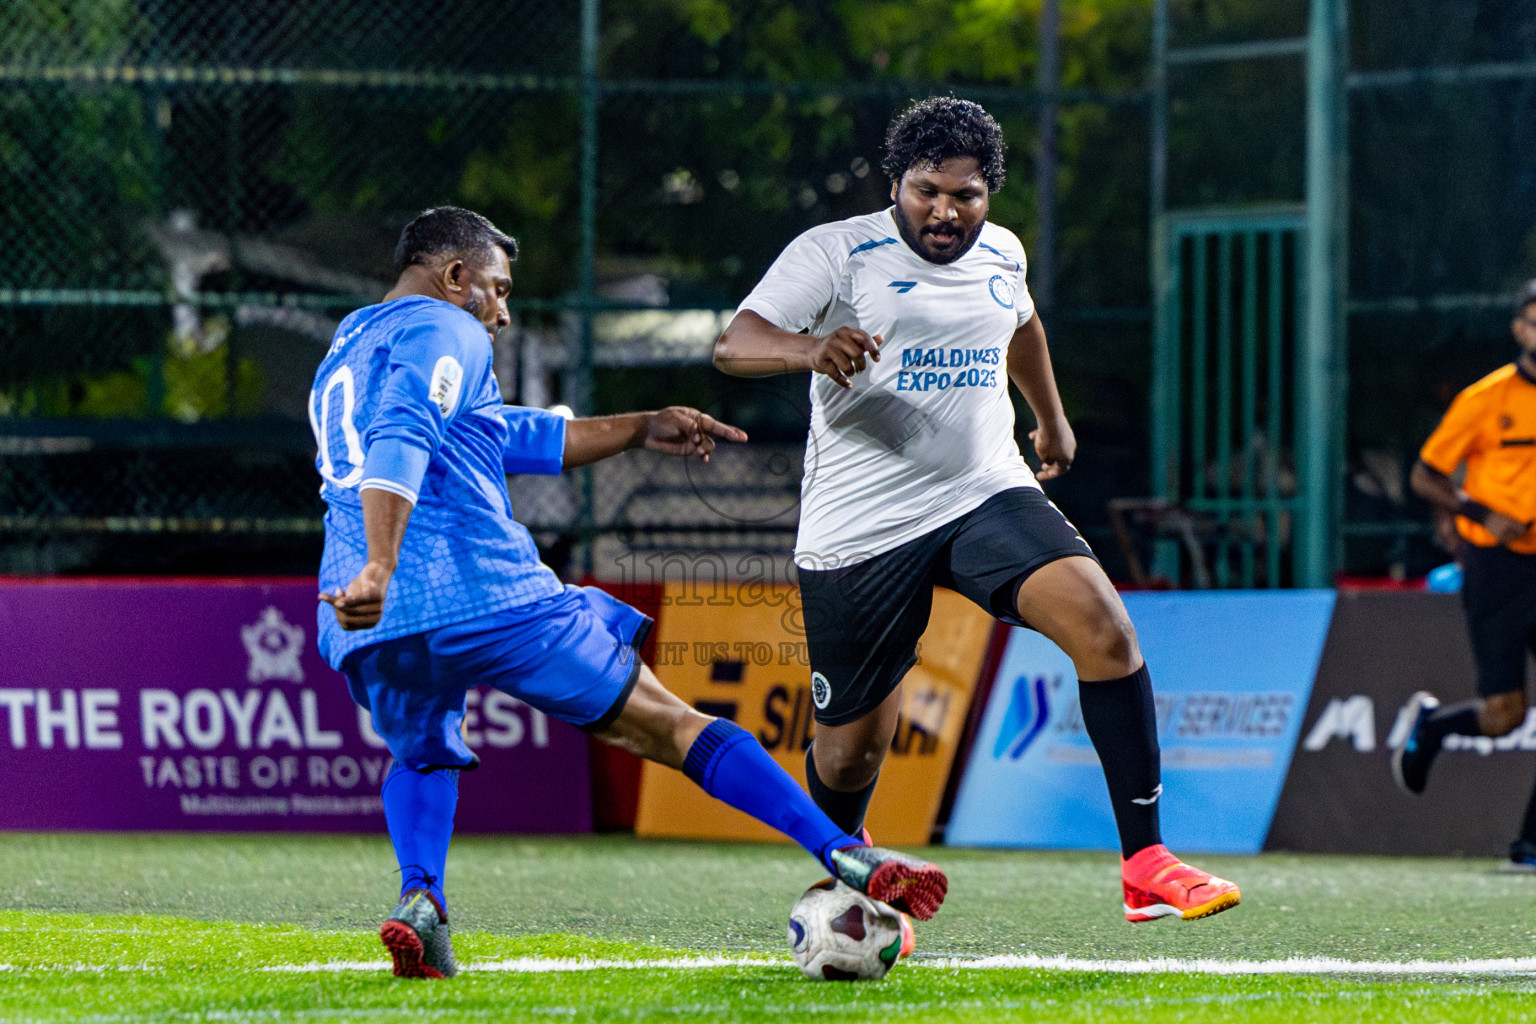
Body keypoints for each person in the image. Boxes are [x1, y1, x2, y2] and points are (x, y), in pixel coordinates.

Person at [311, 206, 947, 979]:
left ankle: (422, 900)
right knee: (671, 725)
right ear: (455, 278)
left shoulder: (349, 342)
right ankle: (845, 850)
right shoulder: (451, 330)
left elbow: (498, 435)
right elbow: (403, 434)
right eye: (499, 289)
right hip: (473, 587)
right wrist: (385, 559)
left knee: (421, 753)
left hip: (368, 622)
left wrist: (642, 424)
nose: (504, 313)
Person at [713, 97, 1239, 924]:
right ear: (897, 183)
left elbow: (1020, 324)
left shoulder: (1002, 251)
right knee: (852, 754)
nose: (946, 212)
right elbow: (734, 342)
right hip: (862, 527)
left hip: (982, 492)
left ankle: (1146, 863)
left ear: (988, 194)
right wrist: (809, 349)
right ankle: (842, 879)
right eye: (927, 191)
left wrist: (1051, 417)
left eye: (966, 195)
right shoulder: (837, 252)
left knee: (1105, 629)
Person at [1394, 279, 1536, 870]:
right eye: (1535, 320)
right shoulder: (1487, 398)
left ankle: (1529, 842)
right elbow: (1425, 476)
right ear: (1520, 329)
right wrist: (1480, 514)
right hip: (1499, 567)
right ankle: (1434, 724)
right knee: (1506, 715)